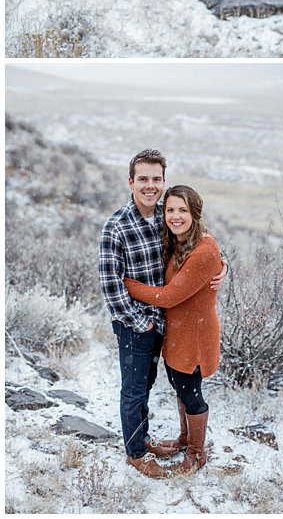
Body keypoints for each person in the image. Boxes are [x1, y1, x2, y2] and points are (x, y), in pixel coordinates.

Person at [99, 150, 224, 479]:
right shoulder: (116, 227)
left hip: (166, 324)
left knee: (149, 384)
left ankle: (145, 437)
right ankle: (136, 453)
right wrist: (142, 323)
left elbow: (200, 253)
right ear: (131, 181)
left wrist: (223, 266)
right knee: (133, 389)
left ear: (163, 182)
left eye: (156, 179)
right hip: (135, 324)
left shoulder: (165, 219)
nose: (150, 185)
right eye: (143, 178)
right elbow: (112, 289)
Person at [124, 185, 222, 475]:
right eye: (170, 209)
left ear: (195, 213)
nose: (175, 216)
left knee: (192, 394)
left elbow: (168, 296)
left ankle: (196, 453)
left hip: (195, 336)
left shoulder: (203, 250)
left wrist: (126, 284)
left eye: (183, 210)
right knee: (181, 388)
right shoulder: (178, 242)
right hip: (178, 334)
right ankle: (184, 439)